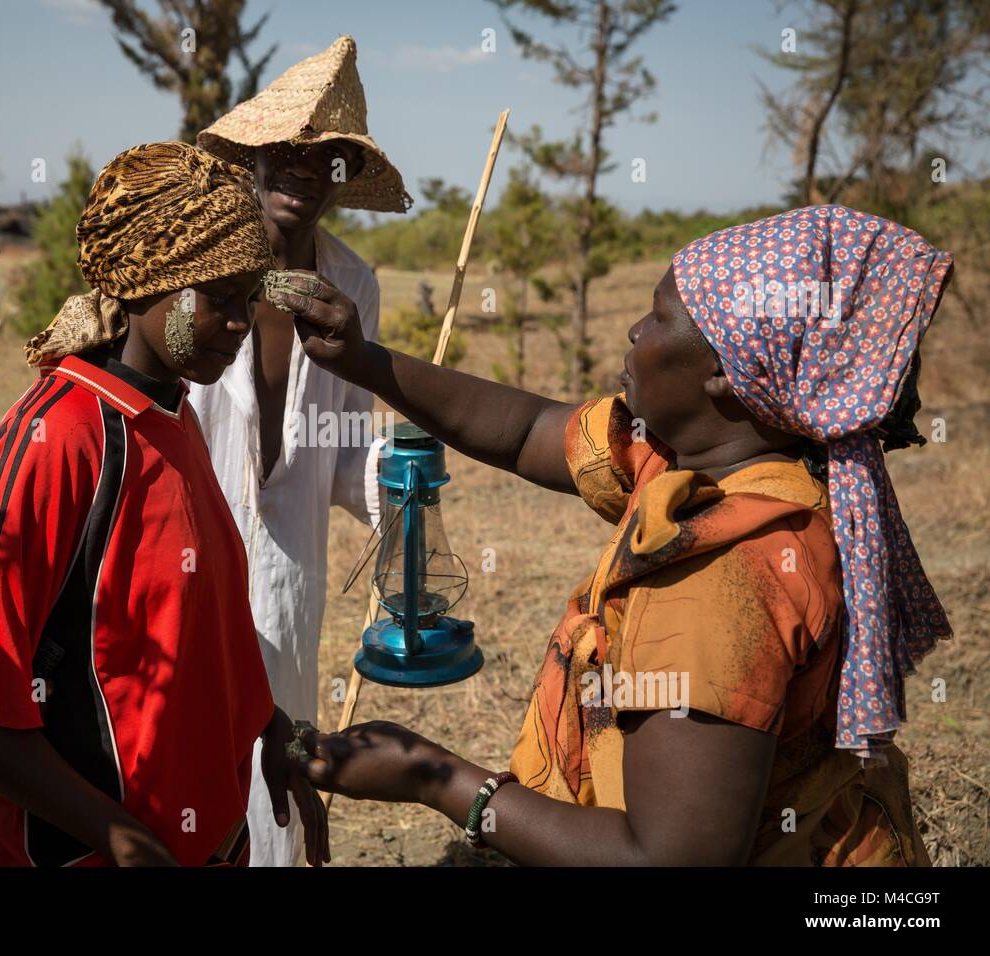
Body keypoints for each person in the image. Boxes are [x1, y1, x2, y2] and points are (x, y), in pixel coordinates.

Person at [277, 205, 950, 865]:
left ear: (727, 370)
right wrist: (363, 360)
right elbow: (525, 431)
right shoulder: (708, 459)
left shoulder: (719, 578)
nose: (634, 329)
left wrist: (437, 779)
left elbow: (669, 855)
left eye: (659, 317)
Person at [0, 142, 328, 867]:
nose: (240, 321)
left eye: (249, 296)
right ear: (145, 285)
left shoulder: (174, 418)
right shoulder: (60, 436)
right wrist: (121, 838)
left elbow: (198, 627)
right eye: (218, 297)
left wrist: (270, 729)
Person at [193, 34, 412, 866]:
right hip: (183, 561)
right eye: (283, 146)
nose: (297, 167)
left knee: (273, 771)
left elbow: (344, 450)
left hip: (287, 576)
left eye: (322, 157)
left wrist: (398, 479)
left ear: (343, 177)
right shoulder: (202, 268)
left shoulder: (351, 287)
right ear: (255, 154)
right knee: (177, 763)